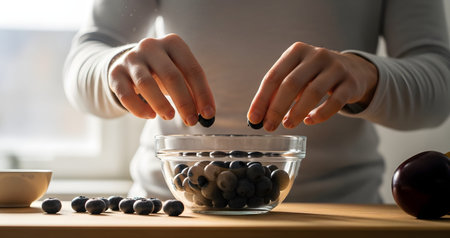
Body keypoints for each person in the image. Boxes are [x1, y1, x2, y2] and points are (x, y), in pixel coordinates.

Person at [64, 0, 450, 203]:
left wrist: (367, 75)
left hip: (339, 217)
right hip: (172, 212)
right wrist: (116, 66)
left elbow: (440, 87)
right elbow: (83, 63)